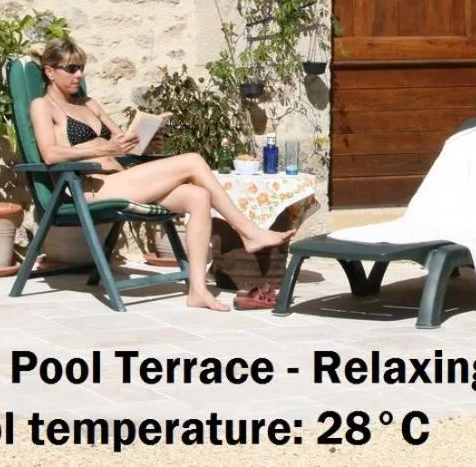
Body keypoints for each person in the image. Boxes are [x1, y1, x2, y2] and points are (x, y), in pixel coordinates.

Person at [28, 37, 291, 312]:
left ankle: (198, 291)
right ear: (50, 71)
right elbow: (50, 154)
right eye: (71, 69)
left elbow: (120, 142)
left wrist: (143, 143)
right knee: (193, 161)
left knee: (197, 196)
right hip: (91, 187)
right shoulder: (43, 106)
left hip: (122, 178)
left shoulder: (90, 104)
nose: (79, 75)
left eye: (81, 68)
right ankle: (249, 231)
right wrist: (104, 146)